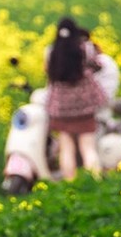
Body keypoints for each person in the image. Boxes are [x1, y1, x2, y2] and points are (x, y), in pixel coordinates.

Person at [44, 16, 109, 180]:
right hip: (85, 106)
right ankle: (94, 180)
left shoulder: (51, 51)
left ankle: (70, 183)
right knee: (88, 146)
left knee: (66, 148)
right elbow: (98, 66)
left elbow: (48, 72)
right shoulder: (85, 48)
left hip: (61, 107)